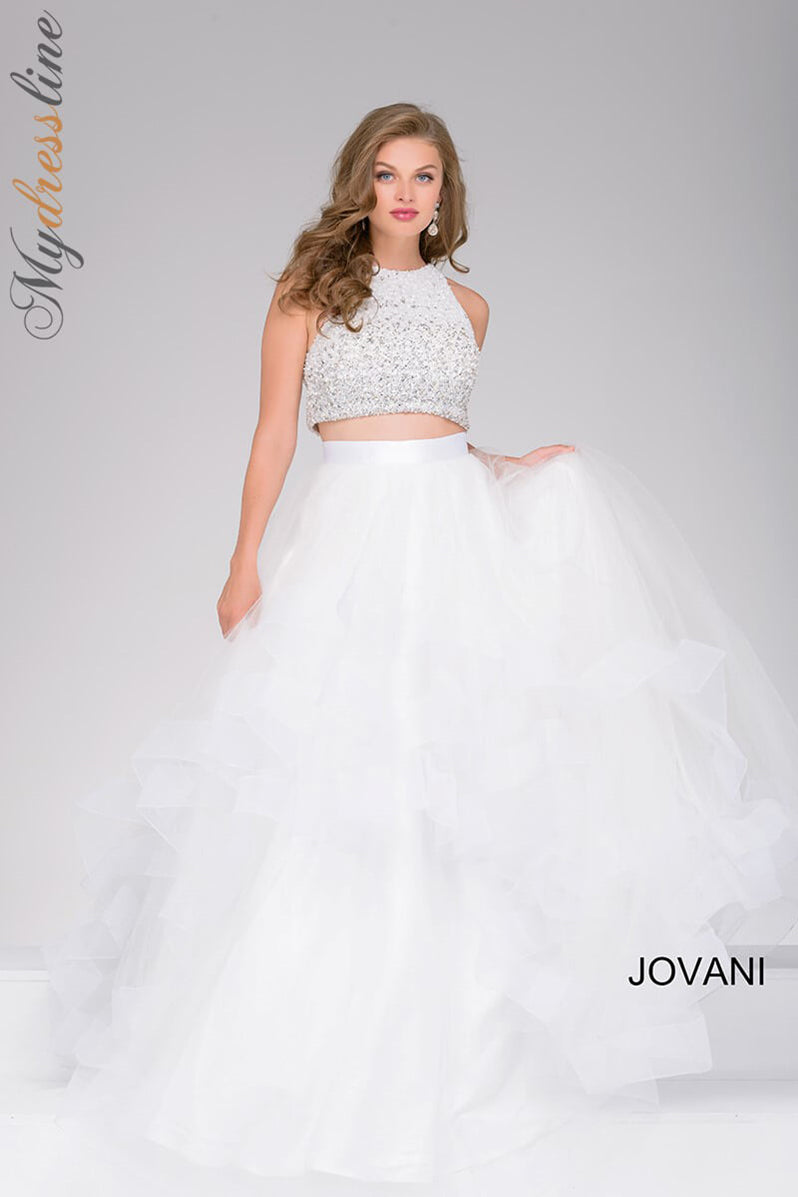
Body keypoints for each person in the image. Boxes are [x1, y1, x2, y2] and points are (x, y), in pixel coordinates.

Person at [28, 103, 798, 1197]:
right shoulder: (306, 294)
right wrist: (243, 559)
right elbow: (275, 434)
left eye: (424, 176)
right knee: (333, 778)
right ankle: (308, 1050)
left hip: (455, 544)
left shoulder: (469, 306)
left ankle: (459, 1052)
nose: (404, 192)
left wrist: (511, 464)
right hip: (351, 544)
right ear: (360, 184)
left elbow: (440, 437)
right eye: (387, 173)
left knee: (454, 777)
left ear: (445, 194)